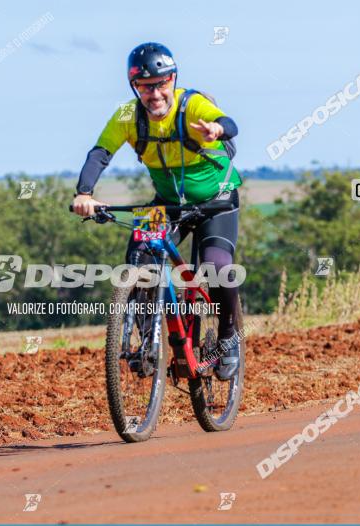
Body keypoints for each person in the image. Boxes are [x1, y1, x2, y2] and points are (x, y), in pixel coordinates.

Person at [71, 42, 242, 380]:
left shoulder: (191, 105)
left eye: (162, 83)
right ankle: (148, 340)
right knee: (140, 253)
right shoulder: (127, 116)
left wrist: (218, 130)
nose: (155, 94)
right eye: (145, 87)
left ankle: (227, 337)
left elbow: (228, 122)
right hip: (167, 204)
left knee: (217, 267)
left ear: (173, 80)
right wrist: (84, 193)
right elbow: (100, 153)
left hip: (215, 201)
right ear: (134, 88)